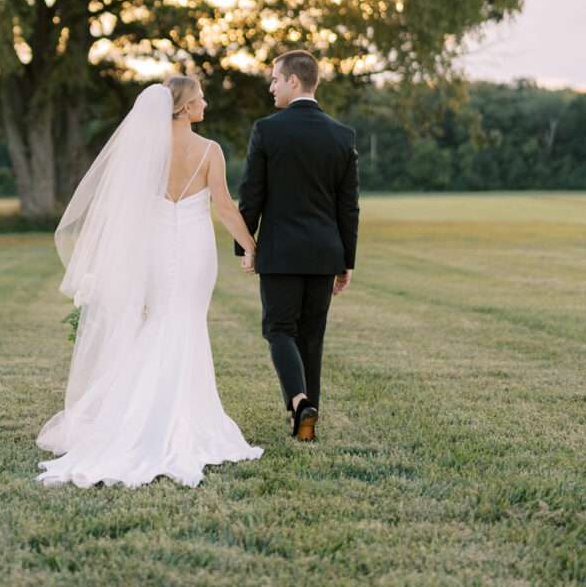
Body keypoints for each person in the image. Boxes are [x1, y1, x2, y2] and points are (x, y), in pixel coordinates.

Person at [36, 77, 263, 488]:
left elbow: (126, 210)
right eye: (200, 98)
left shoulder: (145, 152)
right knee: (186, 323)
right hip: (195, 250)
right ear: (187, 107)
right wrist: (251, 245)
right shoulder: (209, 151)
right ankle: (178, 421)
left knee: (161, 320)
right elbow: (225, 206)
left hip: (156, 248)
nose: (205, 103)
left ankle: (140, 416)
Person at [236, 50, 359, 443]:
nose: (271, 87)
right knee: (312, 335)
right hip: (325, 252)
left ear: (293, 81)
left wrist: (246, 247)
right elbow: (348, 206)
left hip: (280, 251)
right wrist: (347, 260)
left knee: (278, 329)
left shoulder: (267, 130)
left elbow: (251, 195)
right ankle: (306, 419)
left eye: (274, 79)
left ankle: (299, 401)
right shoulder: (342, 135)